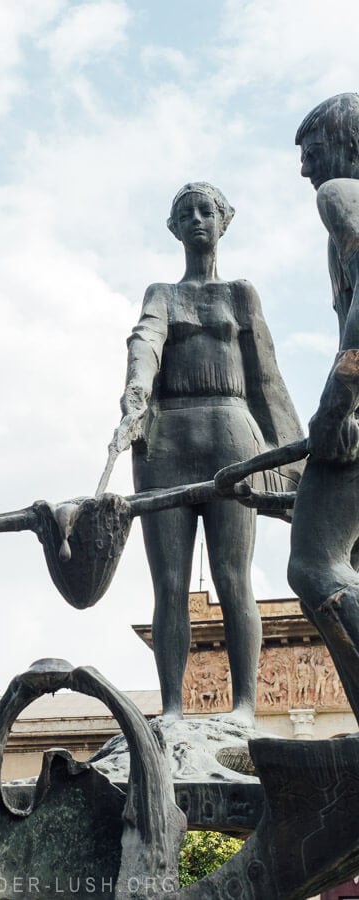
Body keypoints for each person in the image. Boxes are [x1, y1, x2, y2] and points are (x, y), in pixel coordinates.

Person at [117, 182, 303, 724]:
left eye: (206, 210)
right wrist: (136, 387)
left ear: (224, 220)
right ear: (174, 228)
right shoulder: (162, 295)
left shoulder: (240, 295)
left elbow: (266, 375)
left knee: (232, 575)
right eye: (185, 213)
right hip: (167, 442)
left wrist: (286, 455)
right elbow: (145, 340)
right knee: (169, 582)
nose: (197, 219)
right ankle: (172, 707)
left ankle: (244, 706)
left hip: (231, 438)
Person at [288, 93, 359, 722]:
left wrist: (339, 404)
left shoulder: (343, 194)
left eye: (311, 153)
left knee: (315, 565)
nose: (307, 171)